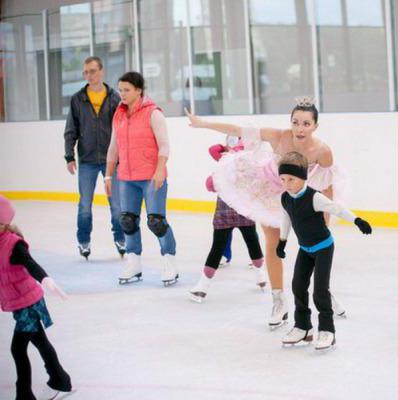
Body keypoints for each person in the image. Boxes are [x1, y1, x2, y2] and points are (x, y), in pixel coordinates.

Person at [185, 97, 347, 328]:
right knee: (272, 244)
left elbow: (326, 187)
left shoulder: (322, 151)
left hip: (302, 196)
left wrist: (324, 222)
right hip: (271, 192)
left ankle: (323, 292)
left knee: (312, 249)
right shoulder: (279, 136)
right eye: (296, 122)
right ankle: (278, 301)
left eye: (306, 124)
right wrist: (203, 123)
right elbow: (239, 130)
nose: (300, 128)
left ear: (315, 126)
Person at [276, 152, 371, 350]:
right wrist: (282, 241)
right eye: (283, 179)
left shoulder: (314, 197)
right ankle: (303, 327)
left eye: (291, 179)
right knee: (298, 286)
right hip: (305, 249)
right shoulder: (285, 198)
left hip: (323, 248)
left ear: (303, 177)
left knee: (320, 290)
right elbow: (286, 219)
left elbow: (337, 208)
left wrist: (357, 220)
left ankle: (328, 330)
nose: (287, 183)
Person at [104, 72, 179, 286]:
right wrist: (109, 175)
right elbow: (113, 148)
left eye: (127, 90)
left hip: (151, 177)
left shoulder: (153, 113)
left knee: (156, 221)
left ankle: (169, 262)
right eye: (120, 90)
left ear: (139, 90)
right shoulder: (118, 115)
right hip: (126, 177)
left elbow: (164, 145)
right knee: (127, 220)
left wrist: (159, 170)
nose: (122, 94)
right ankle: (134, 263)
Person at [0, 195, 73, 400]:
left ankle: (24, 394)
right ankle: (61, 379)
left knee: (17, 349)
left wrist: (45, 279)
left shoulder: (13, 244)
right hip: (19, 302)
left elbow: (31, 264)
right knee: (40, 341)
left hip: (28, 305)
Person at [188, 138, 267, 302]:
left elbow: (209, 184)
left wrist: (225, 150)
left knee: (217, 248)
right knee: (252, 241)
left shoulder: (224, 163)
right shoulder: (251, 165)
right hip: (244, 211)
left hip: (224, 213)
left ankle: (203, 286)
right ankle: (261, 276)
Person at [63, 56, 124, 260]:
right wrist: (69, 156)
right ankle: (84, 241)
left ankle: (120, 238)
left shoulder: (115, 98)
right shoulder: (77, 99)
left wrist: (123, 157)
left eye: (92, 71)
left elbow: (122, 130)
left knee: (117, 205)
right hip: (87, 160)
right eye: (85, 72)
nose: (89, 75)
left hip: (111, 161)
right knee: (85, 205)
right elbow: (71, 130)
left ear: (101, 71)